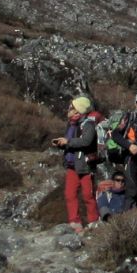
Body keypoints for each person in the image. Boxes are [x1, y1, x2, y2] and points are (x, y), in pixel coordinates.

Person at [52, 95, 101, 232]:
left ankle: (93, 221)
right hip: (71, 165)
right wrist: (62, 144)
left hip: (85, 166)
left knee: (88, 195)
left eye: (72, 107)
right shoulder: (71, 124)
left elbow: (86, 141)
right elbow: (71, 143)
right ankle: (74, 222)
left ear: (78, 110)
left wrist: (68, 142)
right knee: (69, 194)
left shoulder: (88, 124)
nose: (69, 109)